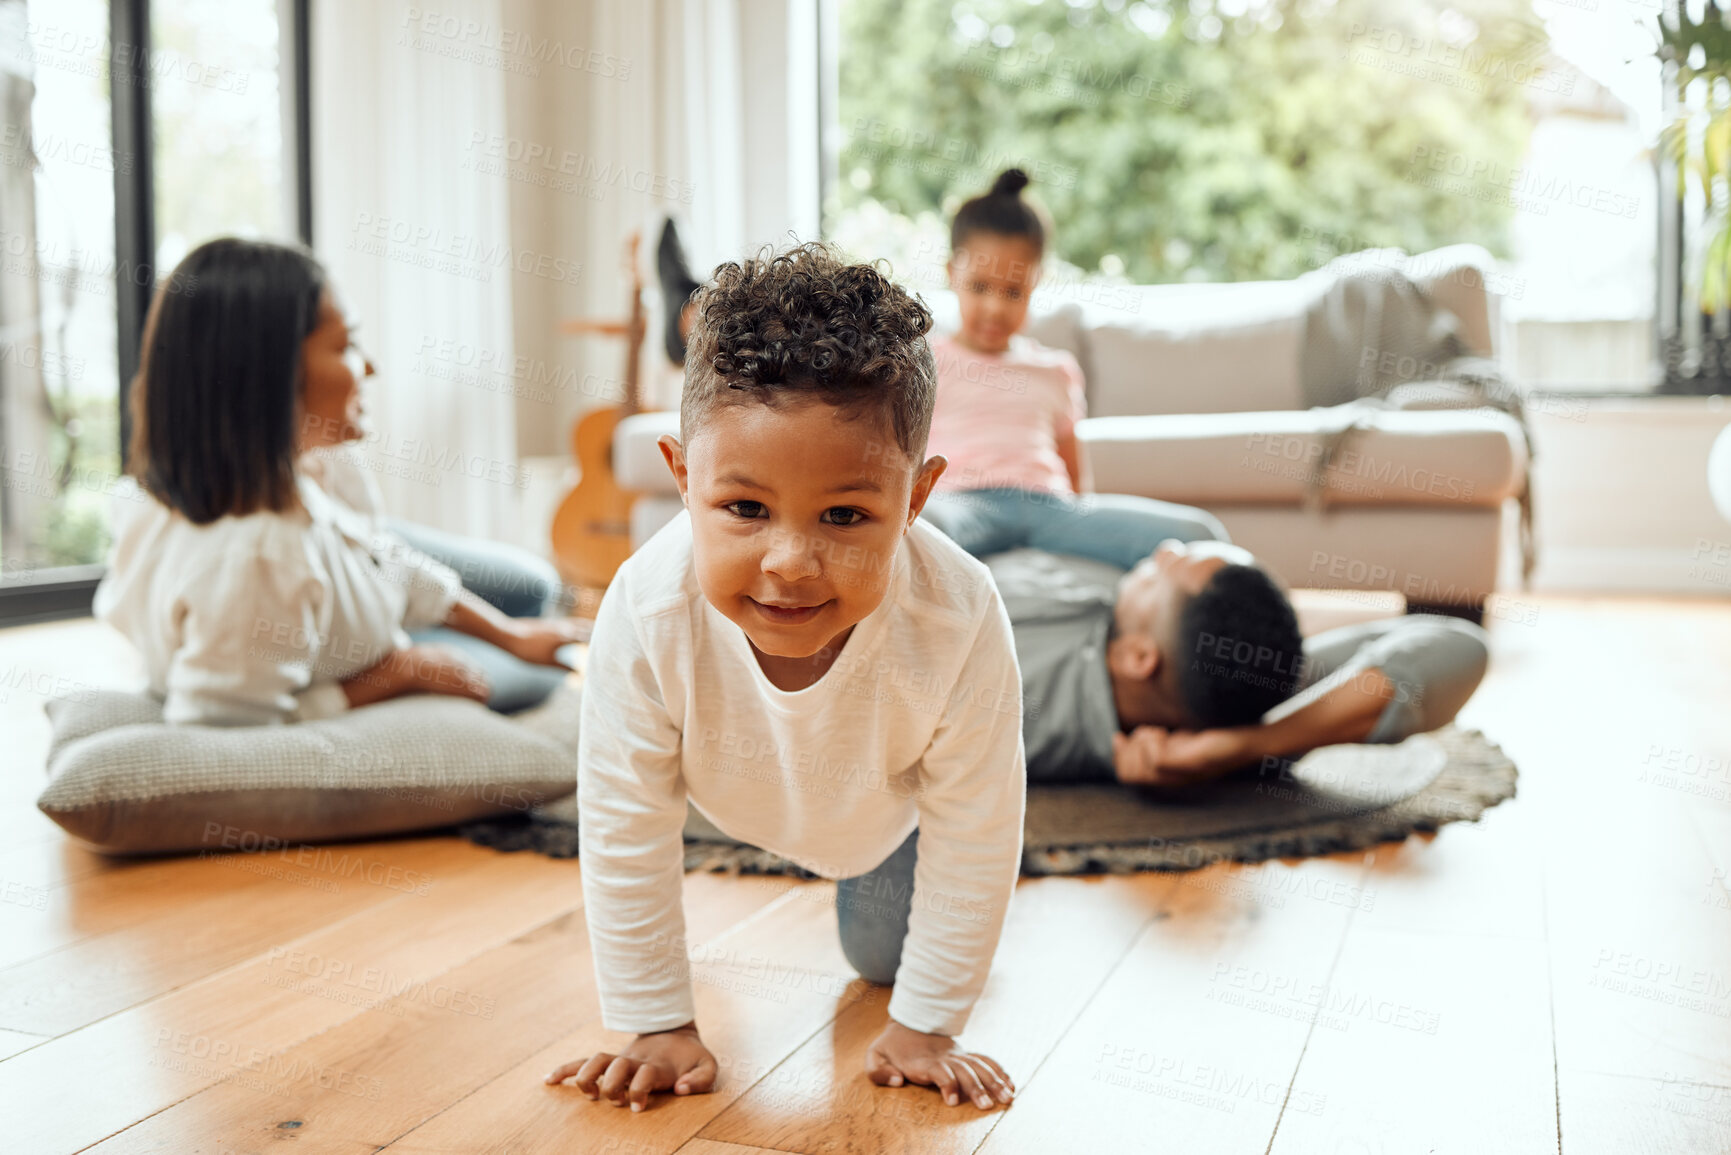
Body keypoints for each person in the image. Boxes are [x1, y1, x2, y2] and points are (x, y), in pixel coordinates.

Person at [545, 244, 1023, 1114]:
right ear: (683, 478)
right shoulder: (646, 610)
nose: (791, 562)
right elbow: (623, 820)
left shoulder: (958, 615)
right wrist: (655, 1020)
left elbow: (977, 825)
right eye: (745, 509)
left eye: (845, 515)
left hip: (883, 820)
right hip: (720, 786)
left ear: (915, 499)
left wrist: (926, 1021)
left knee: (885, 962)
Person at [95, 237, 584, 725]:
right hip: (350, 642)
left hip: (354, 603)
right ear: (273, 373)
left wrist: (509, 635)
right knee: (547, 670)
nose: (370, 366)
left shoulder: (262, 475)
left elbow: (385, 559)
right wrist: (397, 673)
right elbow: (228, 732)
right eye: (347, 345)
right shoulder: (257, 561)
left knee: (532, 588)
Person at [918, 169, 1226, 571]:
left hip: (1049, 508)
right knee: (918, 530)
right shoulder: (924, 362)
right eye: (979, 287)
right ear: (951, 273)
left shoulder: (1056, 371)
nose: (995, 307)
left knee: (1203, 536)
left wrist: (1087, 527)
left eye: (1013, 292)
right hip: (961, 502)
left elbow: (1077, 477)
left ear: (1036, 283)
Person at [994, 541, 1490, 788]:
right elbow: (1461, 642)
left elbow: (1457, 652)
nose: (1163, 550)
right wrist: (1258, 742)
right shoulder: (1241, 693)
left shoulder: (1014, 703)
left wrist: (1242, 749)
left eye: (1169, 568)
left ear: (1138, 657)